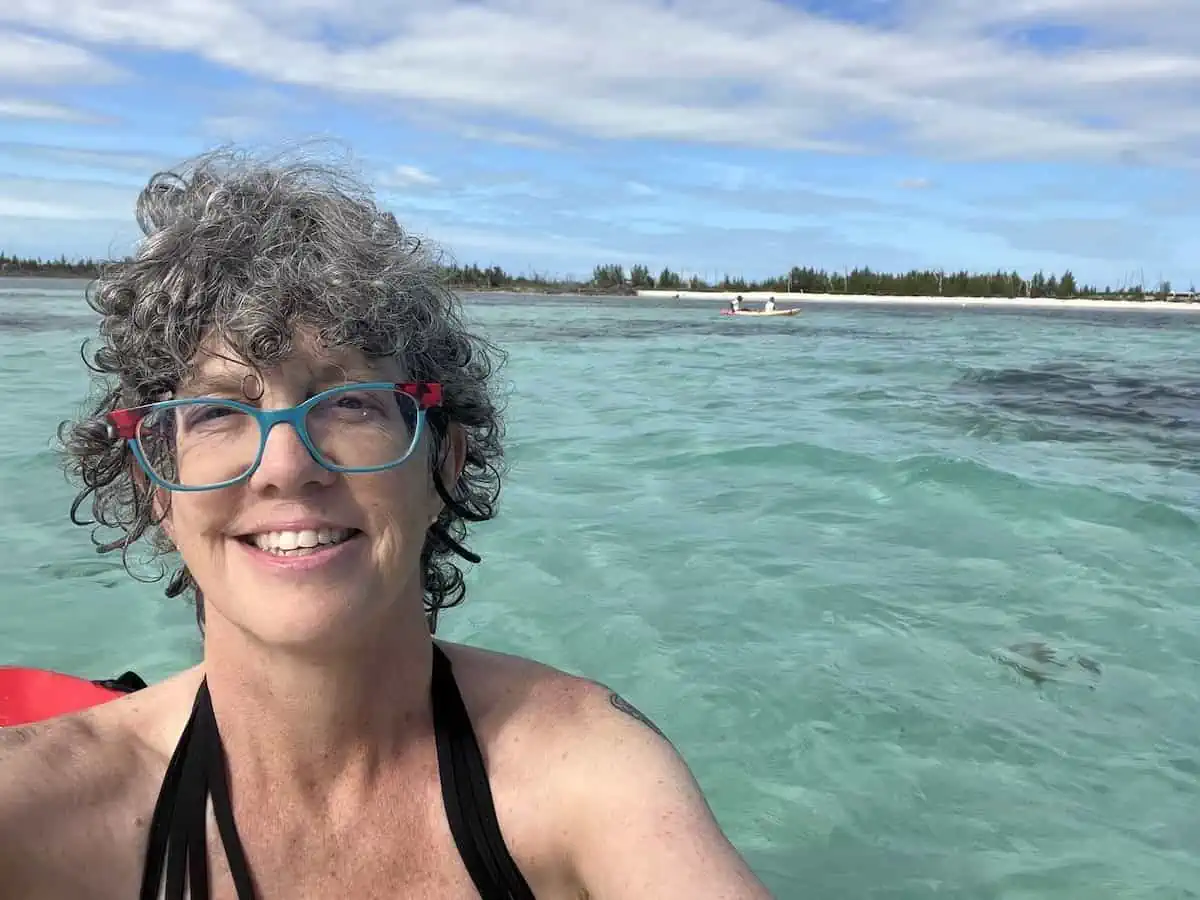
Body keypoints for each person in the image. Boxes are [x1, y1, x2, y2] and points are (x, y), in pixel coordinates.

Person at [0, 149, 774, 900]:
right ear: (155, 488)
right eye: (215, 410)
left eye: (349, 402)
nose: (284, 466)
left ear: (442, 463)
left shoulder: (588, 774)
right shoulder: (40, 810)